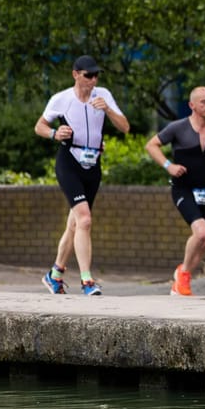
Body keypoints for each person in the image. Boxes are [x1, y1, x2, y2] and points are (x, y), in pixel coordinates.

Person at [36, 55, 130, 296]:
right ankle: (87, 281)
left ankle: (55, 274)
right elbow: (40, 126)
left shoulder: (104, 95)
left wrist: (107, 109)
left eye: (96, 75)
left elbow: (125, 127)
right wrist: (55, 133)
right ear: (76, 74)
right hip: (69, 162)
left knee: (75, 224)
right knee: (85, 219)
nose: (93, 80)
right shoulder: (62, 99)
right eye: (88, 75)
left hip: (93, 164)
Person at [144, 86, 205, 296]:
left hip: (203, 191)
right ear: (192, 105)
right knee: (200, 232)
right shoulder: (177, 128)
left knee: (204, 240)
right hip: (182, 188)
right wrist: (169, 166)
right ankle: (183, 278)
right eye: (204, 102)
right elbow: (151, 145)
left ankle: (182, 275)